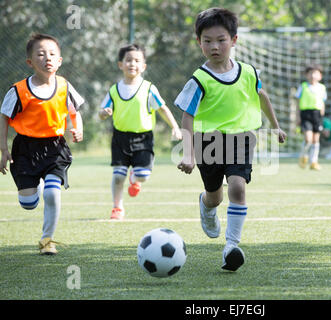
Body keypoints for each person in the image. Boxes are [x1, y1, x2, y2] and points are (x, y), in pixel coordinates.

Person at [175, 8, 286, 272]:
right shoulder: (199, 79)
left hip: (241, 139)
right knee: (215, 196)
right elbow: (187, 117)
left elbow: (262, 97)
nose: (214, 46)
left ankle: (231, 247)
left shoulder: (248, 71)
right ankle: (206, 205)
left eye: (221, 40)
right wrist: (189, 153)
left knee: (238, 187)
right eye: (207, 41)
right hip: (208, 143)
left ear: (233, 40)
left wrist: (276, 126)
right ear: (199, 43)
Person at [0, 33, 84, 255]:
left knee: (52, 193)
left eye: (52, 54)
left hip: (55, 147)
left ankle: (47, 240)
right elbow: (4, 117)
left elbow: (74, 111)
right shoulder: (19, 90)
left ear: (59, 61)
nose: (47, 57)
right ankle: (36, 183)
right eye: (40, 54)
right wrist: (4, 149)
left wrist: (78, 128)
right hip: (25, 149)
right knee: (28, 203)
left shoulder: (65, 86)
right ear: (30, 62)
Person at [99, 44, 182, 220]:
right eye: (128, 60)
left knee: (143, 176)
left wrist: (175, 126)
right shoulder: (114, 90)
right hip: (120, 138)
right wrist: (103, 114)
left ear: (143, 66)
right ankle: (117, 207)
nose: (132, 64)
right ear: (120, 64)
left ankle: (134, 179)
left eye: (137, 60)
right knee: (118, 175)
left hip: (144, 138)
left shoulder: (149, 88)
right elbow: (101, 112)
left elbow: (163, 109)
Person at [295, 64, 327, 170]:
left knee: (315, 140)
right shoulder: (303, 86)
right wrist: (297, 116)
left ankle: (314, 162)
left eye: (316, 73)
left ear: (320, 76)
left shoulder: (322, 88)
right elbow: (298, 102)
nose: (313, 75)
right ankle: (303, 156)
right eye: (311, 73)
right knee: (308, 139)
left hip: (317, 115)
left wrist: (322, 115)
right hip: (305, 114)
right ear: (306, 75)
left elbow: (322, 102)